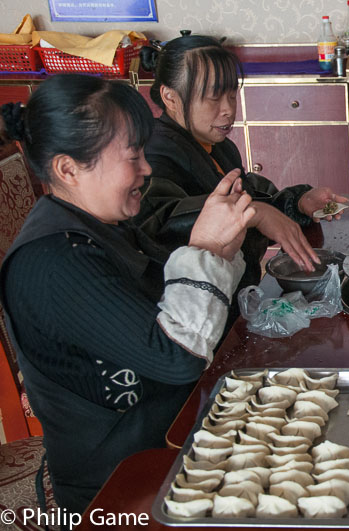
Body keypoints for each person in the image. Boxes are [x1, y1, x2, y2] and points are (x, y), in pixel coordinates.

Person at [0, 74, 254, 514]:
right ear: (68, 168)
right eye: (132, 155)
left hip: (172, 431)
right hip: (120, 483)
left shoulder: (103, 225)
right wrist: (206, 249)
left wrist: (223, 241)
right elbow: (176, 357)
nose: (147, 168)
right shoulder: (55, 262)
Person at [135, 33, 348, 307]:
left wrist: (299, 202)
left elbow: (253, 197)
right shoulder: (152, 156)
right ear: (170, 97)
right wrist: (252, 215)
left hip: (237, 297)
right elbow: (164, 231)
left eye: (232, 95)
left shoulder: (218, 146)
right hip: (195, 311)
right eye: (213, 98)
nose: (228, 110)